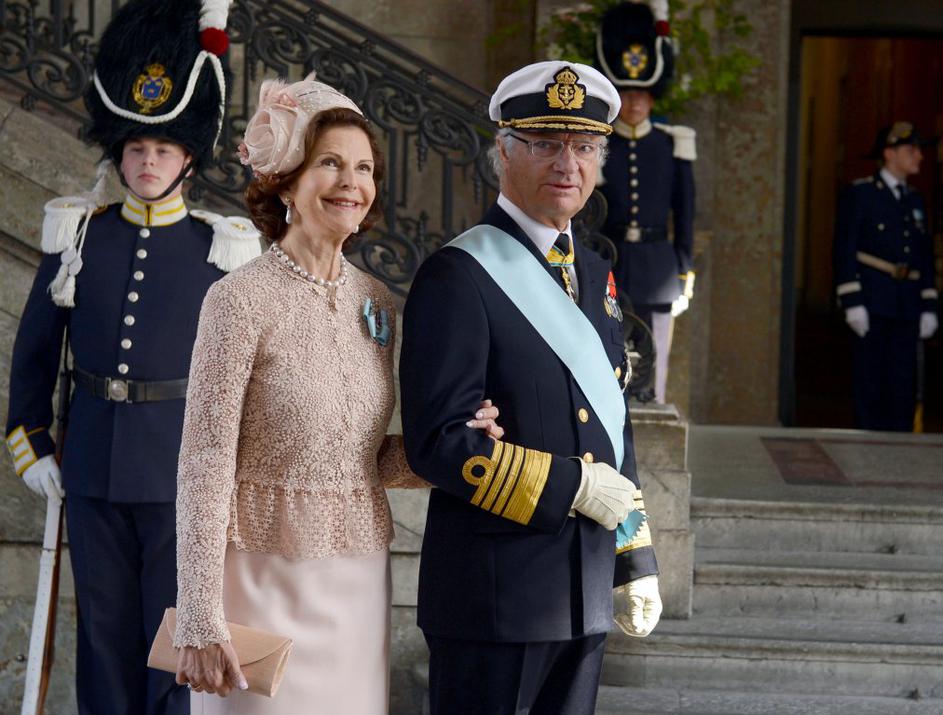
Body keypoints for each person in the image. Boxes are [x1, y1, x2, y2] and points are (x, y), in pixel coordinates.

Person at [171, 75, 502, 714]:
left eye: (364, 168)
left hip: (357, 581)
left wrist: (455, 442)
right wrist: (199, 613)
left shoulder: (376, 301)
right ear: (286, 182)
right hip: (258, 577)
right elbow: (204, 462)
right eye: (330, 163)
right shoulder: (237, 300)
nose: (352, 182)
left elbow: (361, 458)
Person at [3, 1, 261, 712]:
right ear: (118, 154)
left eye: (164, 150)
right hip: (90, 466)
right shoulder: (79, 236)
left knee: (175, 645)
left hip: (182, 475)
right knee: (103, 639)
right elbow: (34, 355)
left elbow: (245, 376)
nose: (148, 163)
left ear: (189, 159)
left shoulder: (221, 250)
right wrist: (32, 442)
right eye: (137, 149)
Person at [399, 60, 662, 715]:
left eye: (584, 147)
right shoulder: (458, 274)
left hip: (583, 591)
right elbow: (438, 442)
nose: (567, 163)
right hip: (493, 597)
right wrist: (571, 486)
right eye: (545, 144)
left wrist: (634, 556)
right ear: (504, 151)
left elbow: (612, 422)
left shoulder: (595, 272)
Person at [595, 1, 696, 404]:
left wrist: (684, 273)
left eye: (641, 94)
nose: (634, 102)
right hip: (612, 261)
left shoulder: (672, 145)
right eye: (627, 94)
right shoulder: (600, 144)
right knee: (608, 356)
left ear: (653, 99)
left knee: (656, 365)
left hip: (658, 266)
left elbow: (685, 215)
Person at [833, 121, 939, 431]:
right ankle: (867, 447)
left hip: (907, 304)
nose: (919, 156)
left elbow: (923, 256)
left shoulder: (915, 199)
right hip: (873, 300)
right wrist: (852, 301)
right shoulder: (861, 194)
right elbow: (845, 249)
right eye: (911, 150)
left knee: (902, 383)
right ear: (889, 153)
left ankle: (899, 448)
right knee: (871, 382)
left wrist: (929, 305)